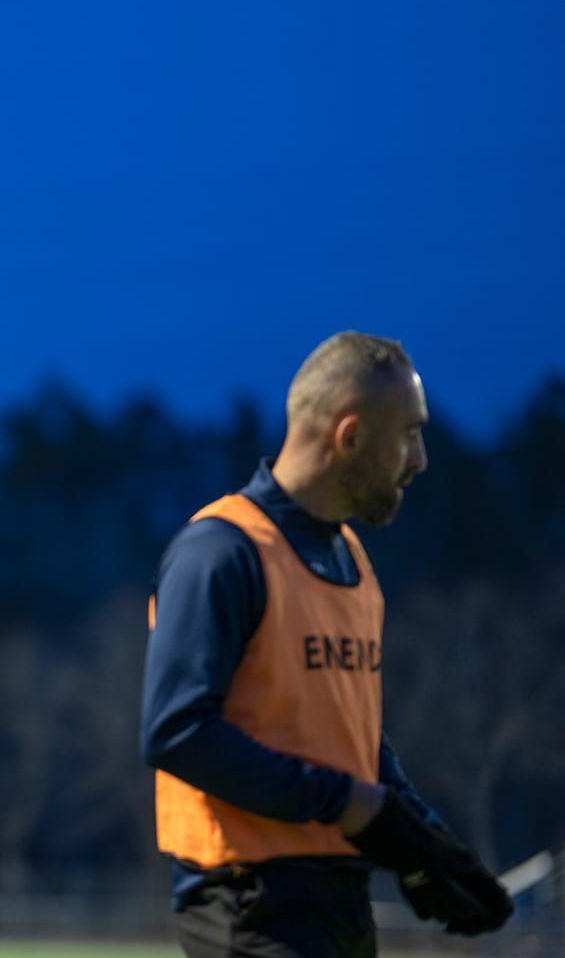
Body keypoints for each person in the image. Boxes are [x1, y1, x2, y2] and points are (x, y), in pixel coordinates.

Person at [140, 331, 513, 958]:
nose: (420, 459)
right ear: (350, 436)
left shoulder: (353, 561)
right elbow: (176, 732)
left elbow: (348, 736)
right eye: (409, 434)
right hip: (248, 903)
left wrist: (419, 838)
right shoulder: (222, 551)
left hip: (336, 899)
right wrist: (351, 804)